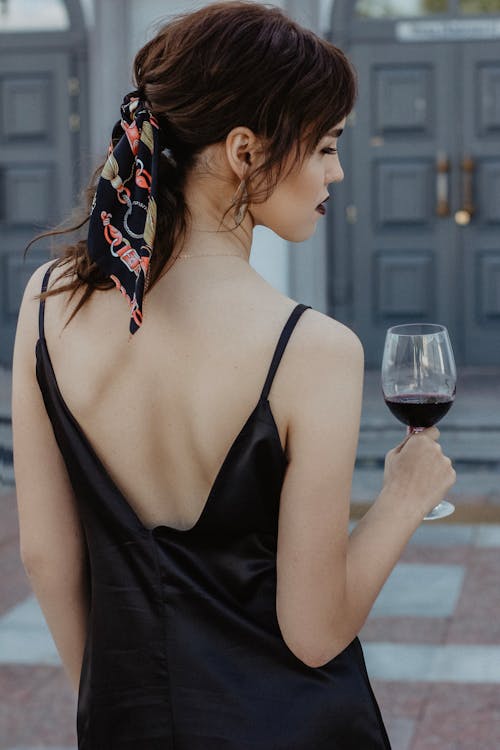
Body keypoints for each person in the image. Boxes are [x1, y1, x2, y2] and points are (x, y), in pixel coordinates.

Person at [11, 2, 456, 748]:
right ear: (245, 151)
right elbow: (313, 634)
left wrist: (115, 709)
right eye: (323, 145)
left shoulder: (47, 301)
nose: (336, 171)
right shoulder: (314, 350)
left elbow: (45, 555)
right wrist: (405, 497)